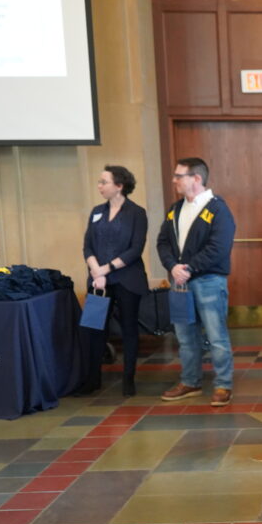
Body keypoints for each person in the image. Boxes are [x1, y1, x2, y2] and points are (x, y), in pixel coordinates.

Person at [156, 157, 237, 407]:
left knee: (216, 336)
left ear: (196, 179)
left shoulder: (218, 209)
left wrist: (189, 267)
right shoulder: (175, 209)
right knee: (185, 336)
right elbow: (163, 242)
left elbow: (219, 248)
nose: (174, 180)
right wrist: (173, 266)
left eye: (179, 176)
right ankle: (190, 381)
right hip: (181, 283)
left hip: (209, 282)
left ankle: (223, 384)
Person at [79, 165, 148, 397]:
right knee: (92, 328)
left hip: (127, 279)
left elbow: (135, 249)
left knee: (129, 329)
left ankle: (128, 378)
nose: (99, 186)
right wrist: (95, 270)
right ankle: (91, 379)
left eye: (103, 182)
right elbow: (87, 245)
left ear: (119, 186)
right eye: (99, 182)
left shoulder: (137, 213)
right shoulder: (96, 211)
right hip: (98, 282)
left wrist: (105, 269)